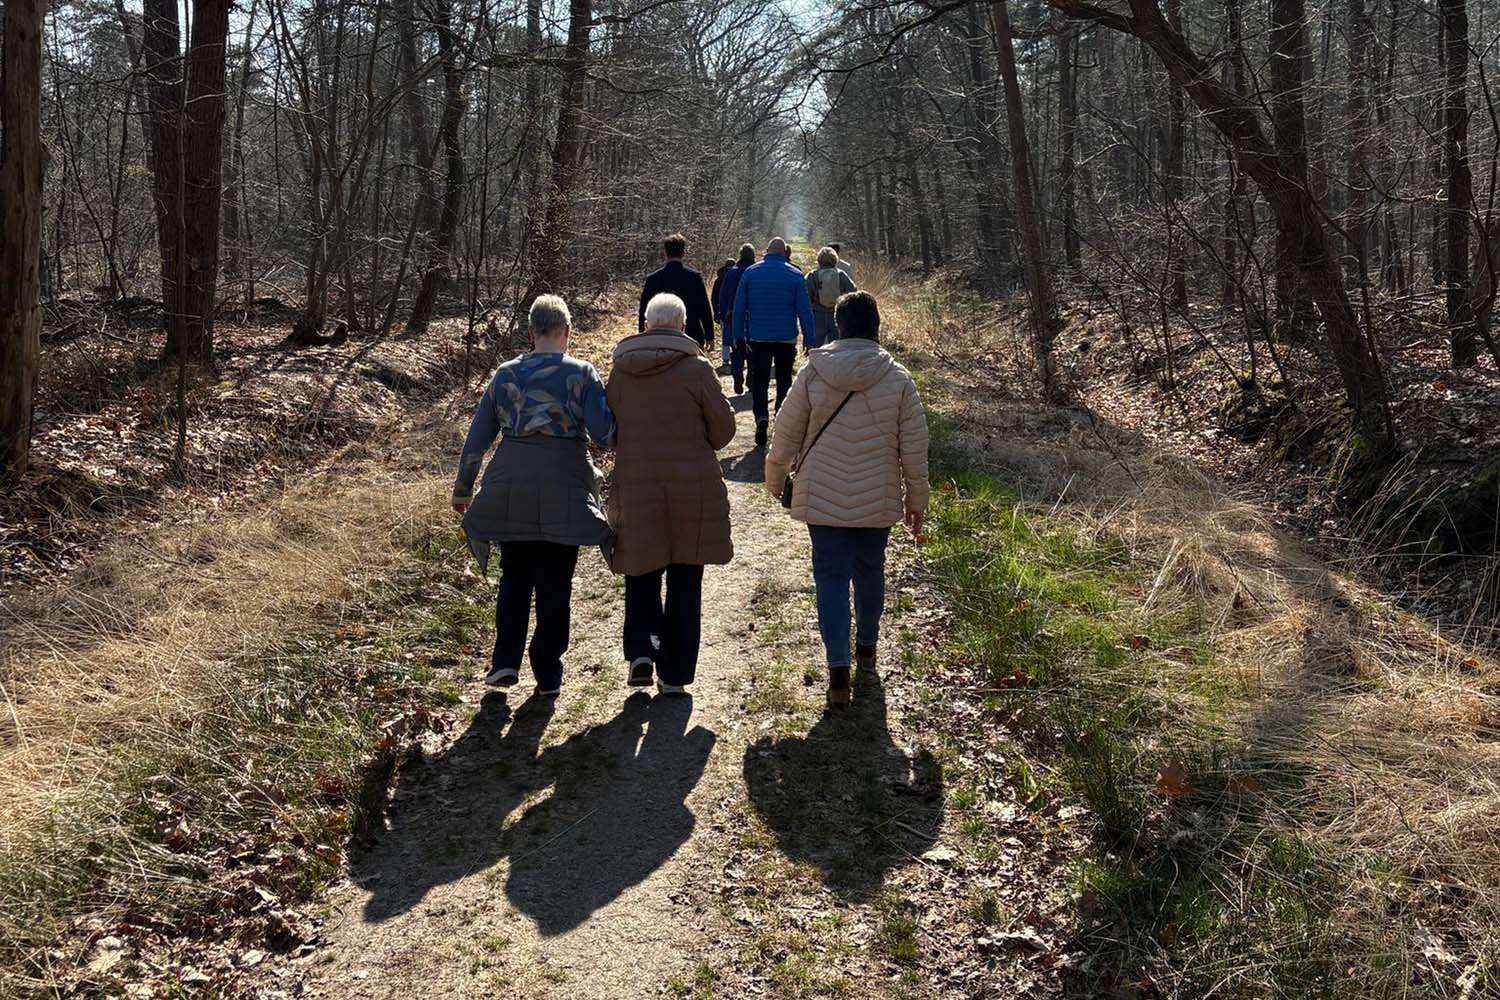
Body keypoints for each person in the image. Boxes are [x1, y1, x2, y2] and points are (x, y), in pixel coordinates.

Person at [764, 291, 929, 709]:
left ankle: (837, 670)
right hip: (878, 495)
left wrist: (775, 478)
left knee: (830, 577)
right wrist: (916, 500)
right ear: (876, 326)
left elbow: (785, 433)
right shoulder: (898, 378)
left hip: (822, 495)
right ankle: (867, 649)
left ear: (838, 326)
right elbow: (914, 449)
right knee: (871, 570)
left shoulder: (814, 372)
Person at [452, 294, 615, 695]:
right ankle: (547, 673)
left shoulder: (505, 374)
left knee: (514, 575)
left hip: (511, 482)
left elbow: (477, 438)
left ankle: (505, 662)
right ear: (567, 332)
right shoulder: (582, 373)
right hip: (566, 482)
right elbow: (604, 434)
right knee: (556, 582)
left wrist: (463, 488)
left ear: (530, 333)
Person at [607, 292, 736, 694]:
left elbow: (610, 431)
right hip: (691, 489)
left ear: (646, 325)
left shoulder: (621, 372)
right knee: (685, 579)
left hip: (636, 483)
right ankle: (675, 675)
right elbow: (723, 432)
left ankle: (642, 652)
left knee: (640, 568)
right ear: (682, 326)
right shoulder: (697, 369)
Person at [731, 236, 816, 446]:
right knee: (784, 380)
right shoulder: (795, 275)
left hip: (759, 338)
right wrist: (809, 338)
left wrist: (737, 335)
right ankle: (780, 417)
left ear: (766, 252)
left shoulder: (751, 273)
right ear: (784, 253)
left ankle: (761, 416)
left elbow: (739, 307)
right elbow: (804, 310)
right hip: (786, 338)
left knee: (759, 380)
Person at [638, 233, 714, 349]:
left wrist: (642, 335)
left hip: (658, 338)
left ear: (665, 253)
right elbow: (704, 309)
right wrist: (709, 335)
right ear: (683, 253)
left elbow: (644, 310)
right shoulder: (694, 278)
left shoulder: (653, 279)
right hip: (691, 336)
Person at [717, 243, 756, 395]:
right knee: (753, 350)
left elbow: (723, 295)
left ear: (740, 255)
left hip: (733, 316)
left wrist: (722, 314)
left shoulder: (731, 273)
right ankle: (751, 379)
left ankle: (737, 375)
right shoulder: (756, 271)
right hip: (753, 317)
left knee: (736, 349)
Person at [806, 246, 857, 349]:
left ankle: (816, 359)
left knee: (816, 347)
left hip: (818, 315)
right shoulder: (841, 274)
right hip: (836, 315)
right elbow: (853, 291)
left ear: (819, 261)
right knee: (836, 346)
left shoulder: (812, 275)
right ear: (835, 260)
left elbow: (806, 297)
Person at [710, 257, 734, 367]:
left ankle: (725, 358)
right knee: (735, 334)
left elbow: (714, 298)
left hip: (722, 312)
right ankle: (735, 355)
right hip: (734, 310)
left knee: (725, 335)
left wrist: (716, 312)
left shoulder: (718, 280)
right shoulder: (736, 277)